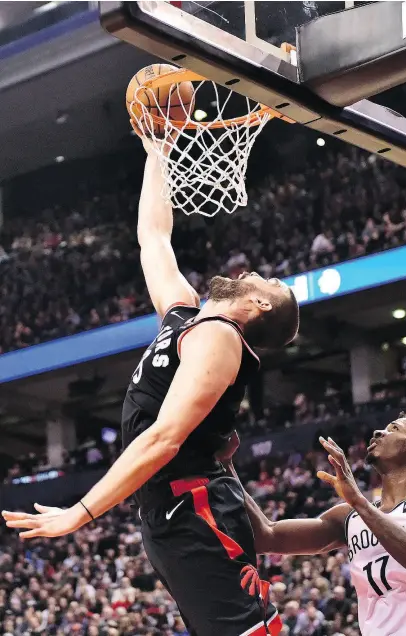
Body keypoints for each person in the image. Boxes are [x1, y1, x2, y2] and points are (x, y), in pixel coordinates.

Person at [2, 134, 299, 636]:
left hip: (194, 504)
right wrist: (157, 146)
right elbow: (154, 236)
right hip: (169, 510)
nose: (251, 271)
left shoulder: (222, 338)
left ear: (261, 307)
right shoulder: (186, 317)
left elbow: (164, 438)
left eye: (265, 281)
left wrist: (81, 512)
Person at [230, 408, 406, 636]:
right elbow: (266, 536)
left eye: (394, 429)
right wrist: (226, 465)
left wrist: (360, 503)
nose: (379, 432)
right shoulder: (350, 515)